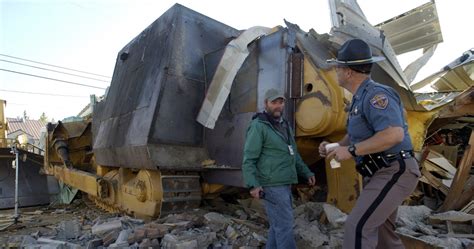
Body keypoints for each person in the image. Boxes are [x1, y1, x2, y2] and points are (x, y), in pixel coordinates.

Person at [320, 39, 420, 249]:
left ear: (348, 72)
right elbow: (358, 135)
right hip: (378, 172)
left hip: (394, 169)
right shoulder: (360, 98)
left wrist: (352, 150)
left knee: (358, 227)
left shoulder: (377, 95)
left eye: (338, 67)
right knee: (382, 233)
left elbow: (393, 134)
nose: (335, 71)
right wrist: (336, 145)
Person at [242, 88, 316, 249]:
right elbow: (249, 158)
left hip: (284, 182)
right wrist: (253, 184)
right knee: (284, 226)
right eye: (273, 102)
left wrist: (306, 172)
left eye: (280, 102)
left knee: (278, 227)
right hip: (272, 184)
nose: (278, 106)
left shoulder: (284, 125)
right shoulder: (258, 126)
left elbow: (293, 153)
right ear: (266, 103)